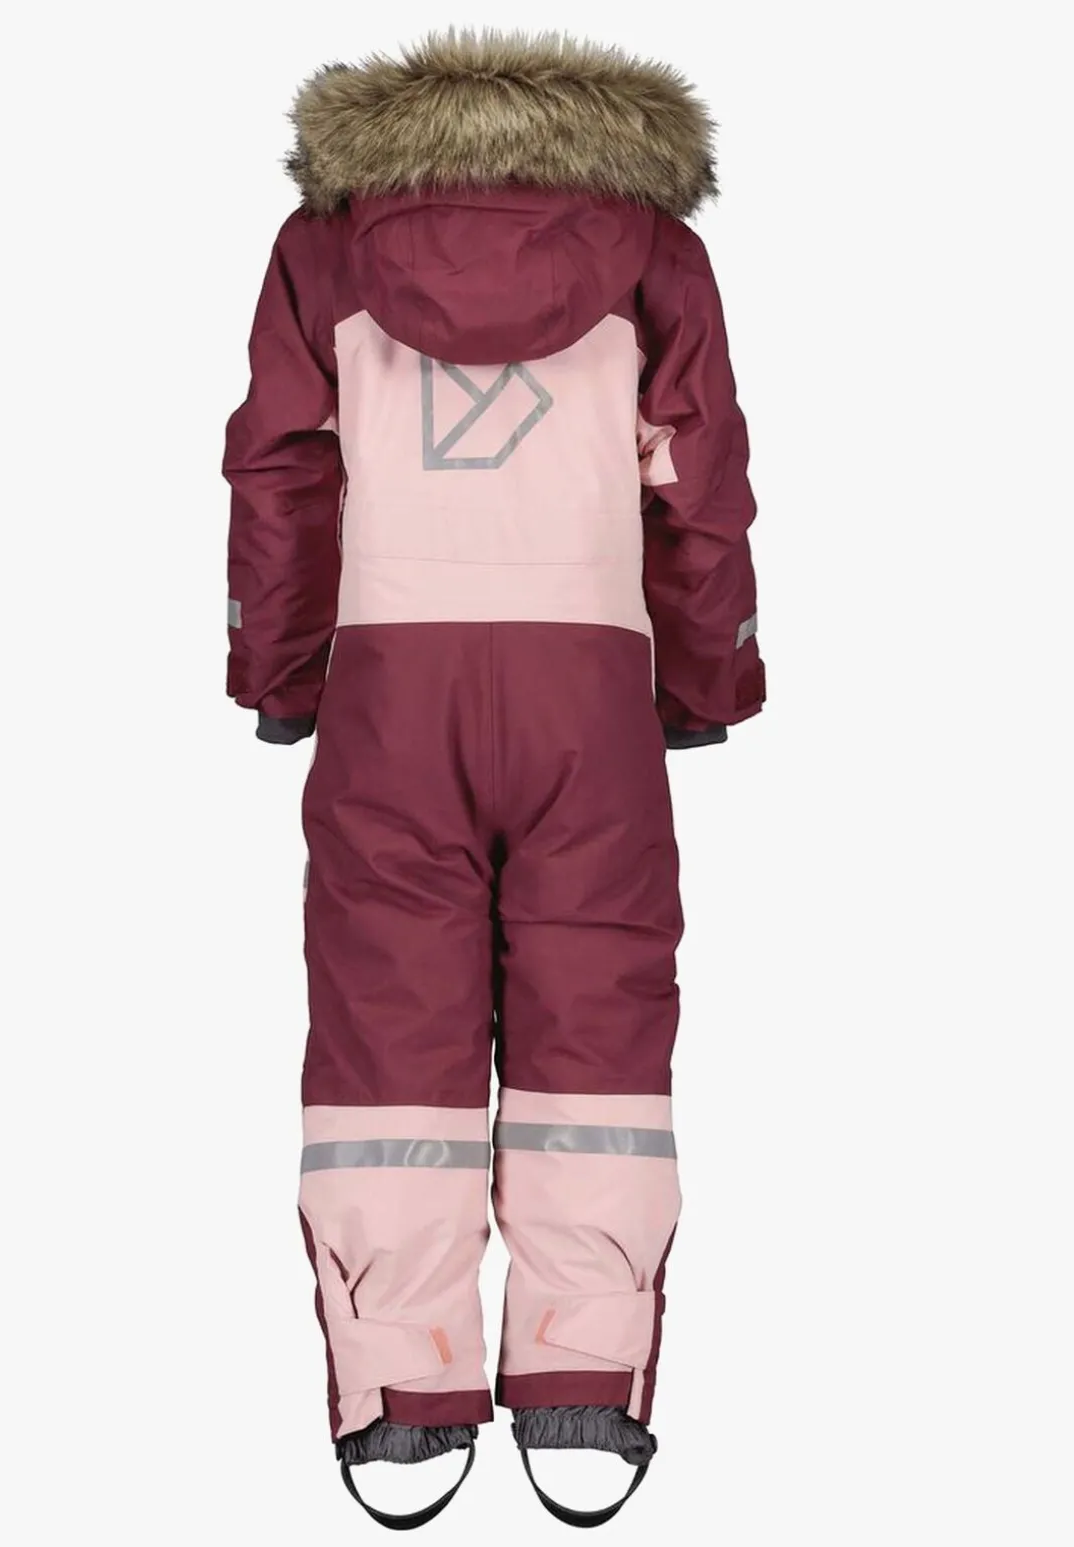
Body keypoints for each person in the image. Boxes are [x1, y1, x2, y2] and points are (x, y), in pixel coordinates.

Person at [224, 30, 764, 1530]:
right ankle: (584, 1373)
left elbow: (280, 468)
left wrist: (280, 673)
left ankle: (402, 1387)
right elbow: (701, 480)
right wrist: (705, 681)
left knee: (388, 1024)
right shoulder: (653, 251)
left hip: (391, 693)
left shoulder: (323, 249)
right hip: (590, 691)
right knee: (601, 1018)